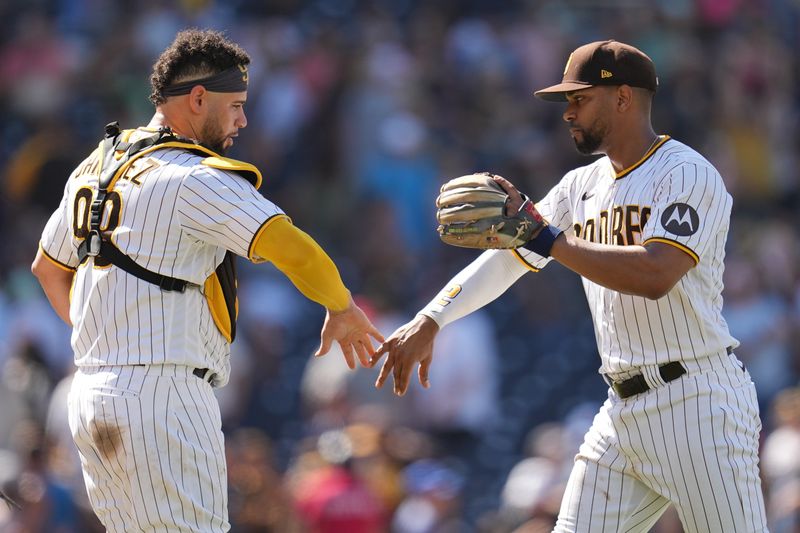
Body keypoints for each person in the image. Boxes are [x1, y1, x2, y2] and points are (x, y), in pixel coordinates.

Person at [371, 40, 769, 532]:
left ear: (623, 98)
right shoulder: (579, 186)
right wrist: (434, 317)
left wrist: (545, 236)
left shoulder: (688, 174)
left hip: (697, 401)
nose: (568, 113)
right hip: (622, 409)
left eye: (579, 98)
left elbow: (655, 274)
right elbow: (510, 259)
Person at [30, 28, 383, 532]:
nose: (243, 118)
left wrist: (106, 340)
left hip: (89, 392)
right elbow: (291, 245)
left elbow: (48, 269)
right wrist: (342, 306)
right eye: (235, 104)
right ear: (198, 98)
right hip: (163, 394)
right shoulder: (192, 177)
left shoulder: (95, 166)